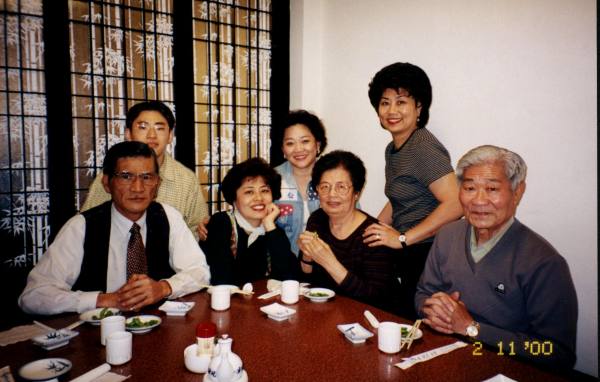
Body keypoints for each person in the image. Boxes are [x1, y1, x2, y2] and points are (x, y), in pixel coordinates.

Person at [415, 145, 577, 369]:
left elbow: (556, 353)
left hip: (505, 369)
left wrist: (472, 329)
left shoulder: (544, 262)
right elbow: (423, 293)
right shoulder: (447, 235)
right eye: (470, 188)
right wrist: (432, 310)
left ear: (517, 192)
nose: (479, 200)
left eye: (492, 189)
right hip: (444, 359)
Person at [19, 141, 211, 315]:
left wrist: (163, 288)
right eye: (126, 176)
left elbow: (199, 271)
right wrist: (104, 299)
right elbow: (34, 296)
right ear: (106, 183)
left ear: (157, 184)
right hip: (96, 336)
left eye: (146, 177)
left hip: (159, 328)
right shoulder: (81, 227)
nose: (138, 188)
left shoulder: (168, 217)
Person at [362, 62, 463, 318]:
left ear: (419, 107)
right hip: (408, 253)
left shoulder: (422, 146)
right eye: (385, 103)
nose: (391, 110)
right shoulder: (394, 148)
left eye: (401, 102)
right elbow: (398, 199)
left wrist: (403, 239)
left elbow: (456, 204)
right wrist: (369, 230)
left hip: (426, 254)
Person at [198, 110, 327, 257]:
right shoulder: (271, 180)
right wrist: (211, 223)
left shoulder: (332, 178)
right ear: (283, 149)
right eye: (290, 143)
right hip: (282, 265)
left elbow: (351, 214)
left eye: (305, 141)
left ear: (318, 144)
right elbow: (244, 209)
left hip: (326, 265)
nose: (298, 149)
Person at [81, 101, 208, 239]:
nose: (152, 135)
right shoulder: (112, 176)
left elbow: (197, 228)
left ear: (170, 135)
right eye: (143, 127)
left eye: (159, 128)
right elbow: (87, 224)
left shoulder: (186, 179)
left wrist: (206, 232)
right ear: (128, 134)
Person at [298, 151, 399, 312]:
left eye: (341, 187)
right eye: (324, 187)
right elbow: (307, 279)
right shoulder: (317, 220)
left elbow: (376, 298)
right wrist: (307, 256)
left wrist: (329, 262)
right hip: (325, 313)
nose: (332, 194)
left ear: (357, 193)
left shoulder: (374, 234)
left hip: (366, 321)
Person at [200, 157, 300, 286]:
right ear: (234, 198)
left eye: (264, 190)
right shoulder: (221, 223)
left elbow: (292, 278)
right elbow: (222, 279)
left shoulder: (274, 231)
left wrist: (269, 225)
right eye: (249, 192)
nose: (258, 198)